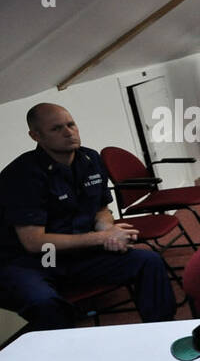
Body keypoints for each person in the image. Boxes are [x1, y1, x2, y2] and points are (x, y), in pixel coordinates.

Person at [0, 104, 176, 330]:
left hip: (78, 255)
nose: (68, 132)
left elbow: (100, 208)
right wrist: (100, 238)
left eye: (71, 124)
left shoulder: (90, 159)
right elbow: (35, 242)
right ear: (36, 136)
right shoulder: (22, 175)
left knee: (148, 262)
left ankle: (160, 333)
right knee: (44, 302)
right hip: (37, 261)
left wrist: (107, 230)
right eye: (56, 129)